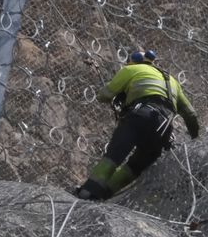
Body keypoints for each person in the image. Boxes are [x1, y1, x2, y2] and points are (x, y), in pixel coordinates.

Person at [74, 49, 199, 200]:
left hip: (141, 115)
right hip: (164, 126)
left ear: (133, 61)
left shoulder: (131, 69)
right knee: (137, 165)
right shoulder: (172, 81)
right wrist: (195, 140)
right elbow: (191, 115)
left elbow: (104, 95)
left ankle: (87, 193)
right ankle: (103, 195)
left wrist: (121, 97)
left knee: (114, 155)